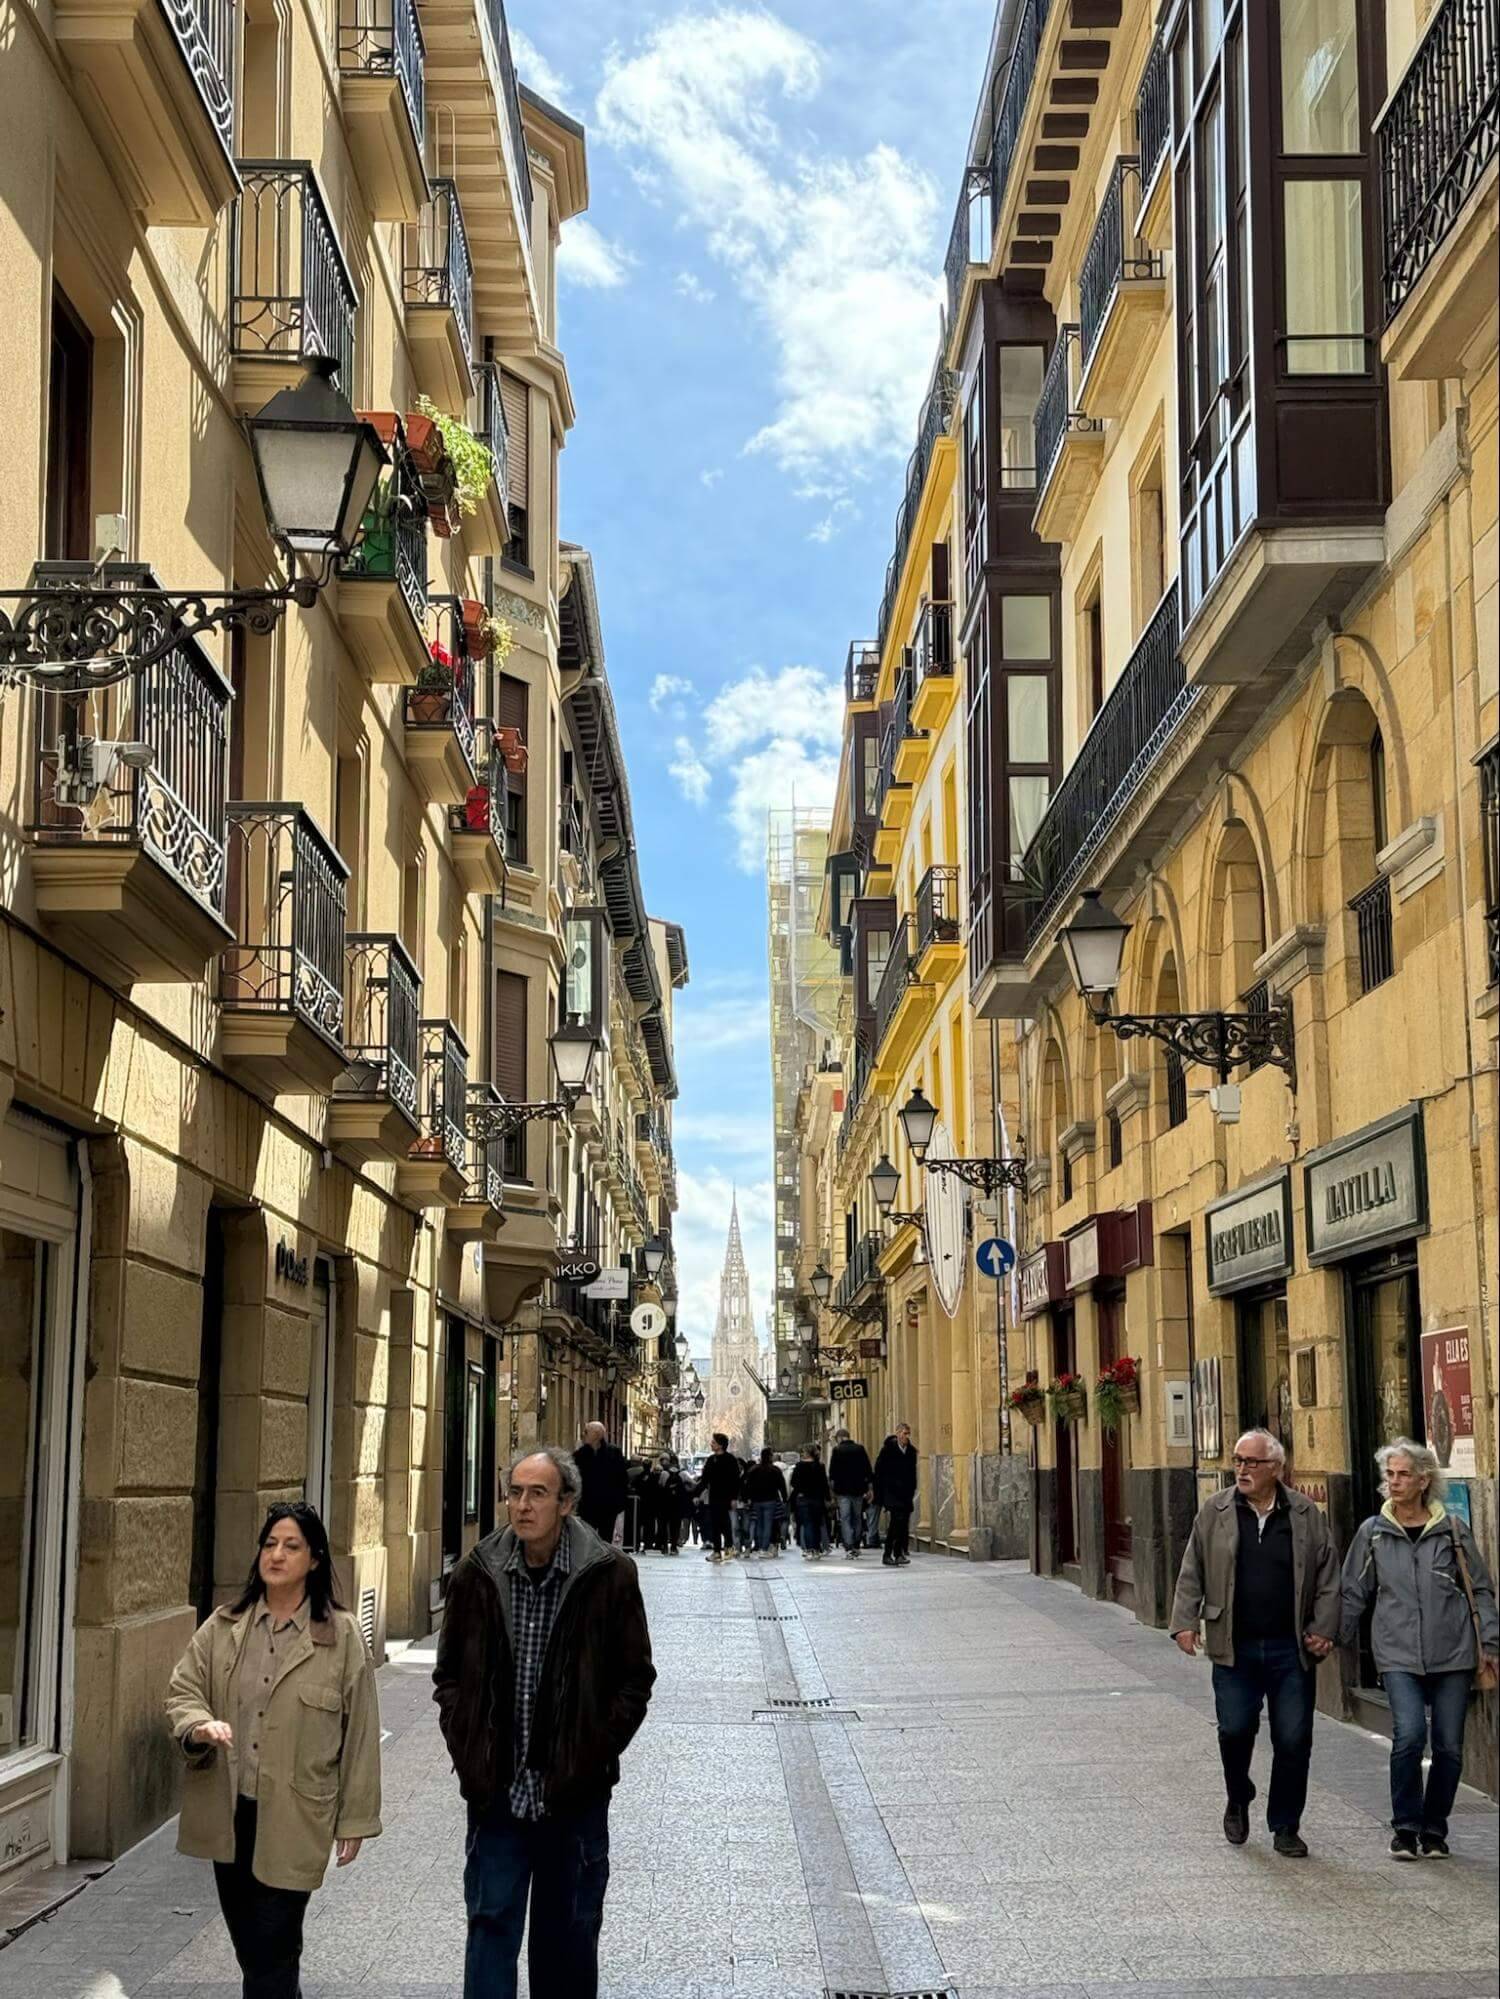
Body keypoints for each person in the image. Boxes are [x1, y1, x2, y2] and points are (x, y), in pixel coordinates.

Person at [434, 1444, 655, 1999]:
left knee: (569, 1941)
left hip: (573, 1797)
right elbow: (449, 1677)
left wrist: (593, 1751)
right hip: (497, 1795)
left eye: (538, 1493)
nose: (524, 1506)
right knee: (489, 1929)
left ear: (567, 1503)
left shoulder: (608, 1575)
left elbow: (635, 1679)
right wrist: (470, 1752)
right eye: (515, 1492)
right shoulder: (477, 1571)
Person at [164, 1502, 382, 1999]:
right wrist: (198, 1725)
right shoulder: (224, 1626)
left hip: (297, 1814)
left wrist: (355, 1819)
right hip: (229, 1814)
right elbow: (182, 1690)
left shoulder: (341, 1635)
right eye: (269, 1544)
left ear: (315, 1560)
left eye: (291, 1546)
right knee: (254, 1950)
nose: (277, 1555)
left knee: (275, 1945)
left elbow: (362, 1733)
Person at [1170, 1429, 1341, 1858]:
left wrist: (1324, 1626)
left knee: (1293, 1737)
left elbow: (1327, 1575)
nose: (1241, 1469)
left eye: (1251, 1462)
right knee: (1234, 1728)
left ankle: (1286, 1824)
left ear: (1276, 1469)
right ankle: (1238, 1795)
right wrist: (1184, 1622)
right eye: (1238, 1461)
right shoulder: (1216, 1510)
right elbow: (1193, 1566)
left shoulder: (1304, 1513)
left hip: (1290, 1647)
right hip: (1235, 1644)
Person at [1339, 1438, 1499, 1859]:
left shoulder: (1452, 1531)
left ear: (1423, 1480)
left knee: (1447, 1746)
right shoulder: (1373, 1533)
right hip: (1396, 1653)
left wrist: (1491, 1644)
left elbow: (1480, 1590)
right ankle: (1405, 1827)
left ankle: (1435, 1829)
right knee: (1409, 1735)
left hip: (1453, 1653)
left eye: (1403, 1474)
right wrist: (1331, 1636)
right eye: (1389, 1474)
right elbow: (1352, 1591)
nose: (1394, 1481)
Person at [575, 1421, 628, 1544]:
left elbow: (622, 1479)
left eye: (586, 1432)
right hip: (587, 1506)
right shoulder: (580, 1455)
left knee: (606, 1539)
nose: (583, 1435)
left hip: (608, 1506)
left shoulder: (614, 1453)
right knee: (587, 1539)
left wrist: (619, 1503)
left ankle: (605, 1561)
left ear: (596, 1434)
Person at [874, 1424, 919, 1567]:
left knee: (903, 1523)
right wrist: (881, 1493)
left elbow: (912, 1473)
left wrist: (912, 1489)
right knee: (895, 1522)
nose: (907, 1437)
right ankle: (887, 1554)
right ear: (898, 1433)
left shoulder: (911, 1451)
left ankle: (899, 1553)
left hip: (906, 1493)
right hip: (892, 1493)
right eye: (905, 1433)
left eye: (908, 1434)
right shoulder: (888, 1451)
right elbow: (879, 1471)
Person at [694, 1433, 742, 1563]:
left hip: (726, 1497)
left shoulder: (730, 1459)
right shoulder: (711, 1460)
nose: (711, 1444)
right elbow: (704, 1480)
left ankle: (728, 1547)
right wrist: (697, 1494)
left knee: (725, 1523)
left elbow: (735, 1480)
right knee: (715, 1523)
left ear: (720, 1445)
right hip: (714, 1496)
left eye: (713, 1442)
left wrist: (734, 1498)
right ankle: (716, 1551)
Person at [829, 1429, 875, 1558]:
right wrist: (870, 1488)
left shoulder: (837, 1451)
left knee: (845, 1518)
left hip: (842, 1491)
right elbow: (867, 1469)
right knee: (857, 1517)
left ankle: (849, 1546)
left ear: (839, 1438)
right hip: (858, 1489)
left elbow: (832, 1472)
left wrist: (832, 1492)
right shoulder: (860, 1449)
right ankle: (856, 1543)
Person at [744, 1446, 788, 1557]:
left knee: (759, 1524)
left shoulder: (754, 1470)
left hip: (757, 1501)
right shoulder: (775, 1470)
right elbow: (781, 1486)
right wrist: (785, 1499)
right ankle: (765, 1547)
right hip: (771, 1500)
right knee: (768, 1523)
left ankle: (759, 1546)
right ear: (770, 1457)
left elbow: (748, 1485)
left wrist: (747, 1498)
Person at [790, 1446, 832, 1558]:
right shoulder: (819, 1466)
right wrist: (828, 1498)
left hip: (803, 1498)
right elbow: (824, 1484)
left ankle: (810, 1549)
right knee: (817, 1524)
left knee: (807, 1524)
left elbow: (793, 1483)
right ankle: (817, 1549)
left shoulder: (799, 1467)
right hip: (817, 1499)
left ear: (807, 1453)